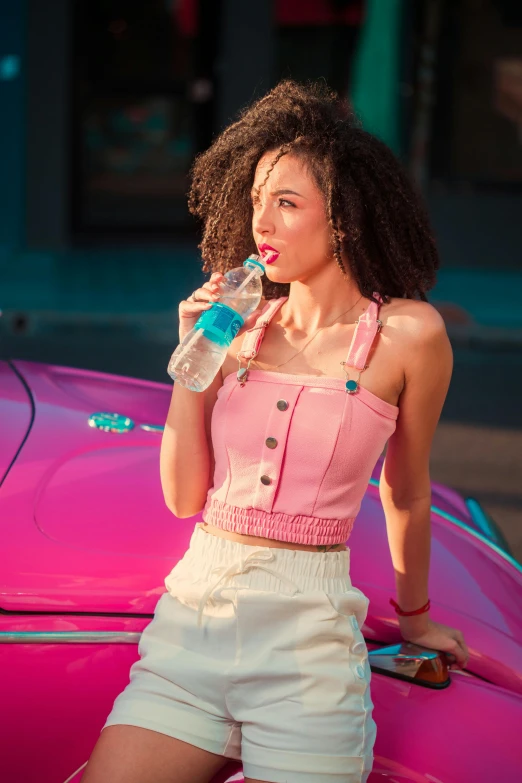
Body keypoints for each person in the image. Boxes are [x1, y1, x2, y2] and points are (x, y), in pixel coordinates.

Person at [83, 80, 469, 783]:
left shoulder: (410, 336)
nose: (262, 219)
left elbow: (407, 492)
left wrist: (415, 620)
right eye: (258, 197)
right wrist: (191, 358)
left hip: (307, 654)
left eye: (287, 203)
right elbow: (181, 496)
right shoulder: (237, 325)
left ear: (344, 216)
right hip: (191, 629)